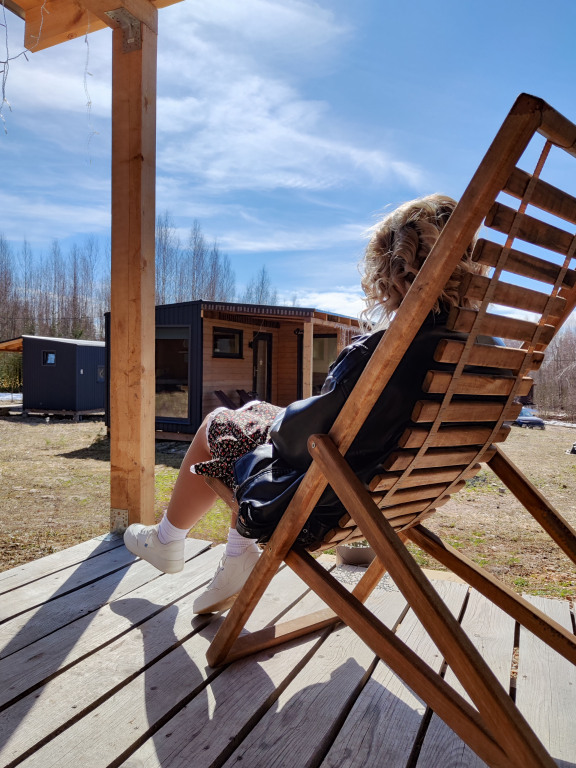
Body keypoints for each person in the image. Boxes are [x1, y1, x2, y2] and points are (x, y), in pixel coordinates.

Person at [124, 194, 485, 614]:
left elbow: (295, 442)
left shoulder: (384, 353)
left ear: (390, 271)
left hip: (330, 499)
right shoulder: (482, 354)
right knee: (255, 412)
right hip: (397, 493)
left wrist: (293, 414)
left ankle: (168, 540)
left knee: (221, 424)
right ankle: (232, 552)